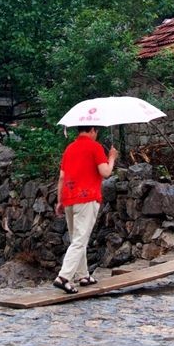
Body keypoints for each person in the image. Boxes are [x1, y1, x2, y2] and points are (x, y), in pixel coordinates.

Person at [53, 125, 118, 294]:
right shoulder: (94, 147)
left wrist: (59, 201)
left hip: (69, 197)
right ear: (93, 130)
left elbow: (61, 177)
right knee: (80, 239)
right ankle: (64, 277)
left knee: (76, 238)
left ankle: (83, 275)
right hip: (87, 197)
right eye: (96, 132)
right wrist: (111, 157)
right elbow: (105, 172)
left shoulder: (69, 148)